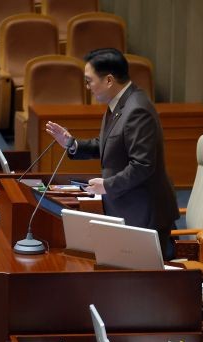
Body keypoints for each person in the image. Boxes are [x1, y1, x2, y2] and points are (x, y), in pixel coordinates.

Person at [45, 48, 179, 259]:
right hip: (128, 207)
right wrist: (72, 144)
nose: (87, 87)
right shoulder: (119, 104)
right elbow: (110, 144)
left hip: (144, 215)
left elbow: (142, 165)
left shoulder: (137, 110)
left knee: (139, 277)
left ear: (108, 80)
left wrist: (107, 185)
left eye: (89, 81)